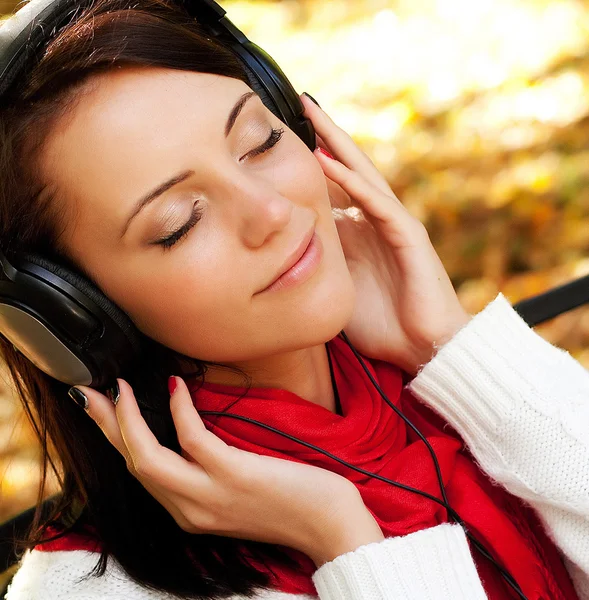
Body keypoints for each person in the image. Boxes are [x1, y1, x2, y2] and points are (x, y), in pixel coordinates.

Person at [0, 0, 588, 598]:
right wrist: (340, 537)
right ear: (69, 314)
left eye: (259, 142)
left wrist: (455, 350)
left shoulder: (447, 389)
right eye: (180, 221)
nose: (273, 211)